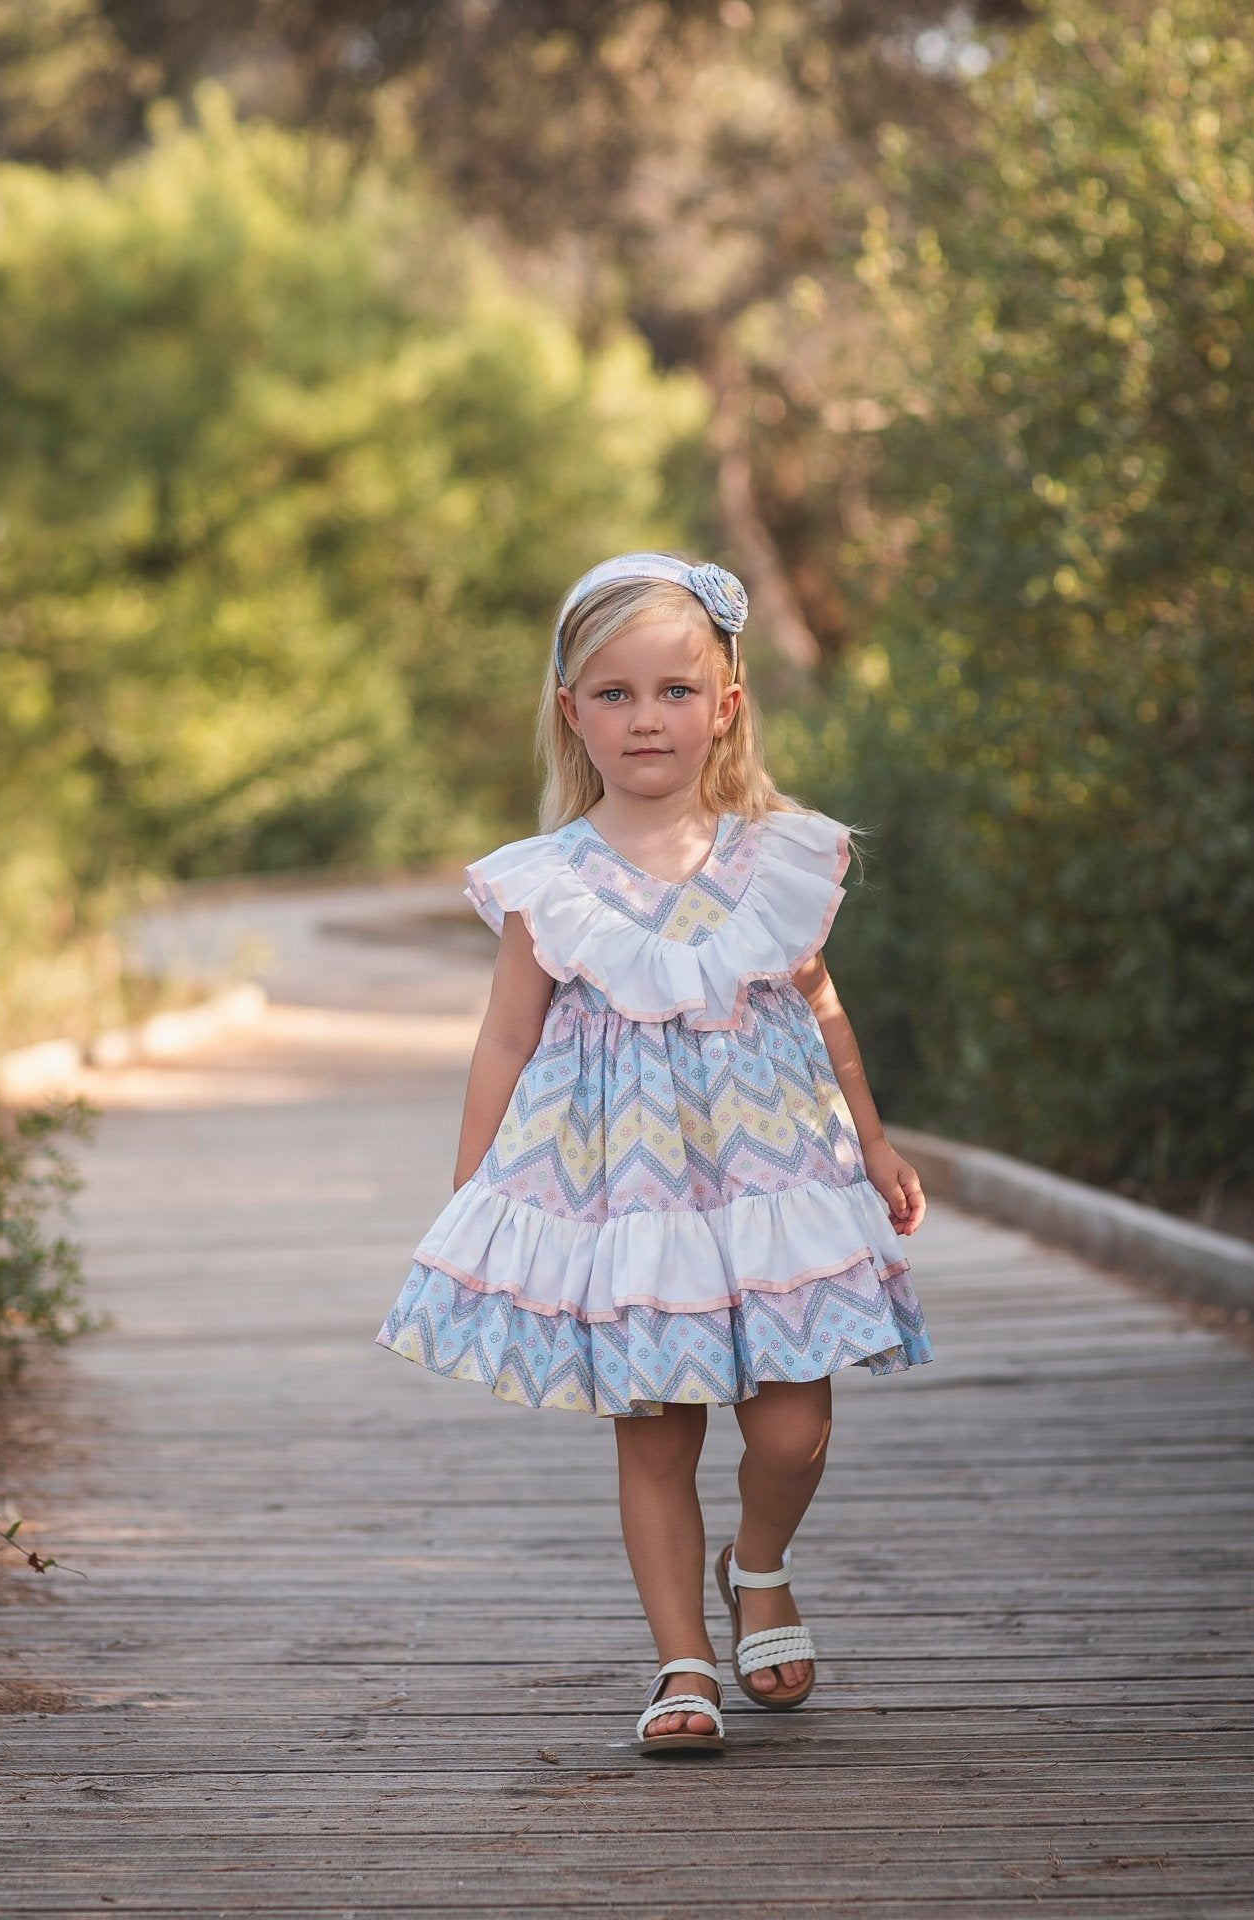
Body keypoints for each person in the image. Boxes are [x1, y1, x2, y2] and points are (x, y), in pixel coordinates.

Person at [377, 550, 933, 1756]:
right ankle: (681, 1658)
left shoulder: (776, 857)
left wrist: (876, 1142)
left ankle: (762, 1560)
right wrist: (476, 1193)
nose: (646, 718)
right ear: (571, 709)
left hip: (777, 1182)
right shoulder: (551, 884)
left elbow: (824, 1008)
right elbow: (504, 1040)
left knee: (792, 1424)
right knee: (659, 1426)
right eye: (616, 693)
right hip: (633, 1201)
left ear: (726, 704)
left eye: (676, 690)